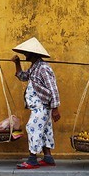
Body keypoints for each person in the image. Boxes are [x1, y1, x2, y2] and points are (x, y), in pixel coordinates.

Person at [11, 37, 61, 169]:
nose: (25, 55)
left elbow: (53, 89)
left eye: (26, 53)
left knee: (33, 128)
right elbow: (23, 77)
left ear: (34, 54)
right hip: (39, 108)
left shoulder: (43, 68)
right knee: (45, 131)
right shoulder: (34, 67)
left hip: (42, 107)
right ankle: (48, 158)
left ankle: (32, 159)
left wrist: (55, 109)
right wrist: (17, 64)